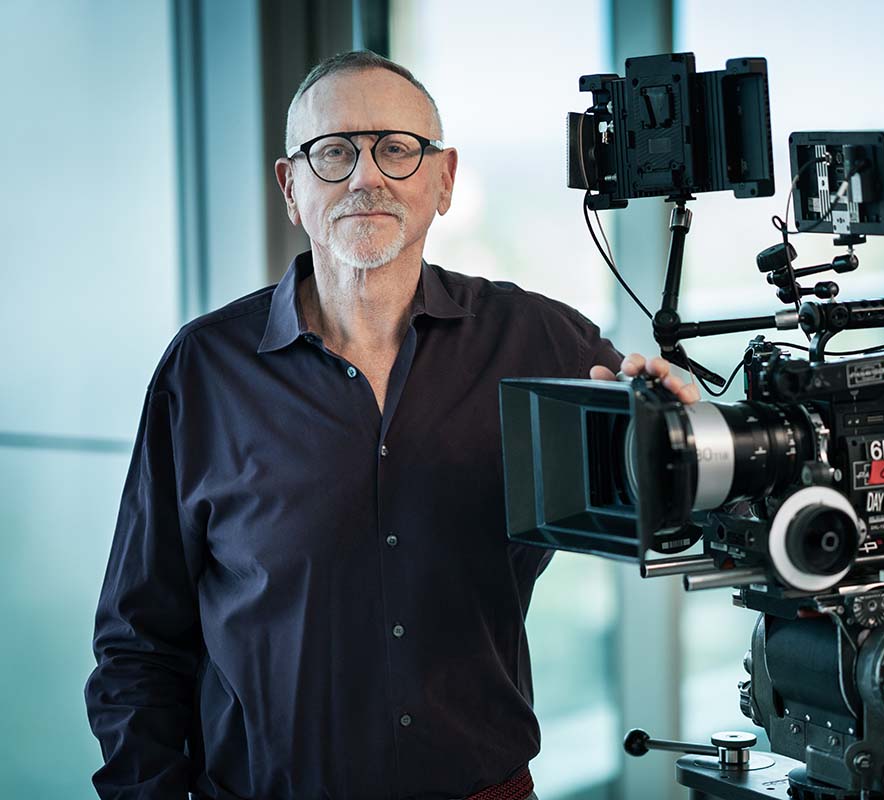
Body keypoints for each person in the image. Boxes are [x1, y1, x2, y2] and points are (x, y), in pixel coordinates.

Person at [84, 50, 698, 800]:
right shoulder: (205, 371)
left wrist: (687, 436)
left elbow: (682, 497)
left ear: (443, 180)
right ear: (291, 187)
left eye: (396, 149)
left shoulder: (542, 341)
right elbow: (137, 645)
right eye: (333, 152)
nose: (366, 176)